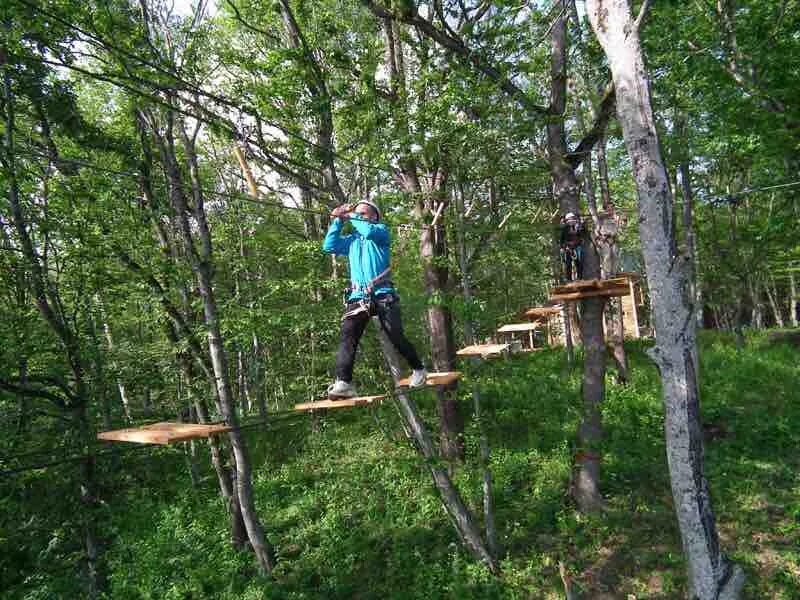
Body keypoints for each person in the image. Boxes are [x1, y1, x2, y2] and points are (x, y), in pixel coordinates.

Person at [322, 201, 427, 398]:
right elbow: (329, 246)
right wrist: (337, 221)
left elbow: (368, 232)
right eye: (357, 213)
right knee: (348, 336)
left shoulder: (380, 232)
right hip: (358, 297)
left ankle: (418, 369)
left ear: (374, 217)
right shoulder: (353, 240)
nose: (358, 216)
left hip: (383, 294)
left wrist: (351, 216)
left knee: (395, 335)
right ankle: (344, 382)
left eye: (363, 214)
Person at [559, 211, 584, 282]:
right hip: (568, 248)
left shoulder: (577, 227)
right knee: (568, 263)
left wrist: (581, 223)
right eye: (569, 219)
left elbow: (581, 234)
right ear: (567, 220)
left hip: (577, 247)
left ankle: (580, 277)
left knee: (579, 262)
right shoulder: (564, 228)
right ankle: (569, 279)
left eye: (572, 219)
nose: (570, 220)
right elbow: (561, 239)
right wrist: (562, 247)